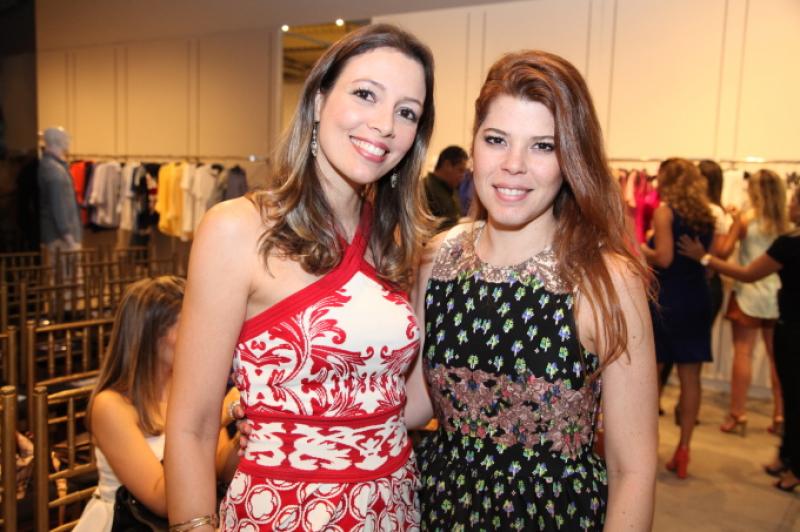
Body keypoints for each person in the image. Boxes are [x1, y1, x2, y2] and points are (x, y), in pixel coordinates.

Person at [165, 24, 435, 531]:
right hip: (286, 510)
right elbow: (192, 426)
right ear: (317, 100)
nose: (384, 125)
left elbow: (402, 401)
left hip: (393, 507)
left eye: (406, 112)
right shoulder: (237, 229)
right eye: (365, 94)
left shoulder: (396, 242)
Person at [408, 50, 658, 529]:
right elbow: (417, 402)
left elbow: (633, 469)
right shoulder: (436, 258)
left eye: (543, 146)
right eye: (496, 140)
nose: (513, 165)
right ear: (474, 144)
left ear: (571, 158)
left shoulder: (606, 280)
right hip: (437, 507)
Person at [74, 276, 239, 531]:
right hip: (128, 523)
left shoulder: (189, 386)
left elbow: (218, 469)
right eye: (189, 326)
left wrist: (250, 427)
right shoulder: (110, 406)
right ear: (151, 335)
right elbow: (163, 502)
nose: (201, 338)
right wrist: (218, 415)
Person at [678, 184, 800, 492]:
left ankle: (747, 420)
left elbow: (744, 270)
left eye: (795, 201)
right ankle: (784, 443)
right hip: (778, 309)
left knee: (754, 360)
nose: (790, 205)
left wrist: (704, 257)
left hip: (776, 314)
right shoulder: (784, 234)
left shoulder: (785, 241)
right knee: (784, 380)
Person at [640, 158, 715, 479]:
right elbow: (707, 264)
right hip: (697, 297)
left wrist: (640, 246)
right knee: (691, 377)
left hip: (669, 299)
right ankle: (684, 449)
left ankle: (645, 448)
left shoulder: (665, 212)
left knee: (651, 374)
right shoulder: (706, 215)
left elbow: (665, 258)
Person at [713, 169, 788, 436]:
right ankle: (780, 415)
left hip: (747, 293)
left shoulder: (746, 220)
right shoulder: (786, 224)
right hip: (777, 295)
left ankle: (738, 413)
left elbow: (723, 251)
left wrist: (732, 224)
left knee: (743, 353)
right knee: (777, 358)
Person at [37, 127, 82, 254]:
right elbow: (59, 205)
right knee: (66, 266)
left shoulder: (56, 167)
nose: (68, 141)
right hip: (62, 240)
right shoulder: (54, 169)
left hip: (63, 236)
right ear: (56, 140)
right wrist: (68, 237)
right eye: (65, 137)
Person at [423, 145, 469, 230]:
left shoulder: (452, 188)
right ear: (447, 165)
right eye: (460, 170)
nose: (463, 176)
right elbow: (427, 227)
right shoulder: (424, 189)